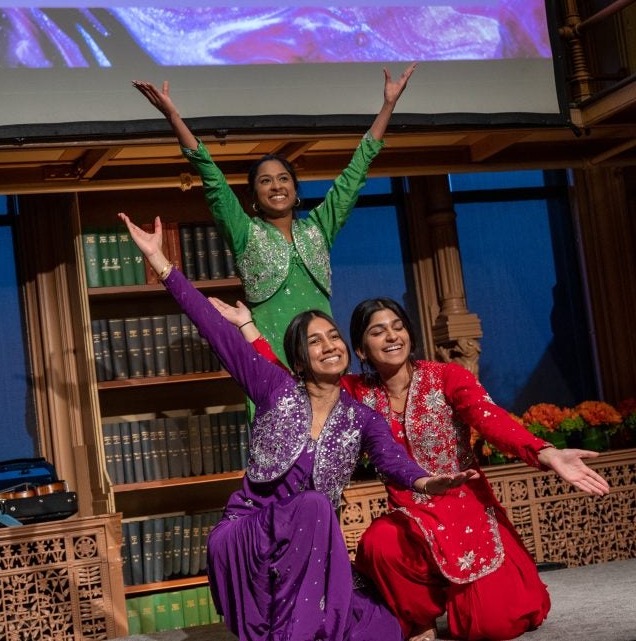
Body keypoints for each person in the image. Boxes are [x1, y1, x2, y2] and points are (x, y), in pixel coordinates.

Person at [119, 213, 476, 641]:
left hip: (305, 552)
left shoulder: (361, 417)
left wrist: (424, 482)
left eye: (335, 337)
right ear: (300, 360)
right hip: (249, 536)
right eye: (316, 341)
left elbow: (392, 460)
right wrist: (161, 262)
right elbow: (215, 330)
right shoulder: (275, 388)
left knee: (383, 628)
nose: (330, 346)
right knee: (313, 505)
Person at [210, 295, 611, 641]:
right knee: (377, 543)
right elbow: (289, 384)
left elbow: (490, 418)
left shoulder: (446, 378)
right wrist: (247, 327)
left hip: (463, 510)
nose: (391, 336)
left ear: (410, 336)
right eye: (377, 331)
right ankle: (420, 618)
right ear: (362, 350)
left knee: (496, 624)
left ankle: (474, 596)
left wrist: (544, 452)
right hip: (411, 521)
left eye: (397, 327)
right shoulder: (355, 394)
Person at [132, 62, 417, 366]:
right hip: (270, 361)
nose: (276, 186)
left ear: (295, 189)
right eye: (265, 181)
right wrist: (173, 117)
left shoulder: (319, 227)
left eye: (283, 178)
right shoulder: (245, 232)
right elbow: (212, 178)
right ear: (254, 196)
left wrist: (388, 105)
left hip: (325, 361)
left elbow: (355, 173)